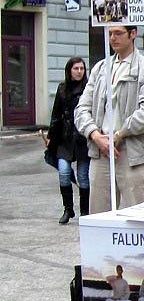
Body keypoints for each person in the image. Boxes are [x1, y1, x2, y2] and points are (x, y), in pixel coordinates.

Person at [74, 25, 144, 214]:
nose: (113, 38)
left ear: (133, 34)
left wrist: (119, 134)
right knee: (99, 216)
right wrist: (95, 136)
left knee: (137, 215)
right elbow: (81, 108)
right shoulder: (100, 68)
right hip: (101, 150)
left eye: (118, 33)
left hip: (133, 152)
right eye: (110, 34)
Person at [47, 57, 91, 224]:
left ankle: (85, 212)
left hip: (82, 138)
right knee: (64, 173)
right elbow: (56, 113)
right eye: (76, 68)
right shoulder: (62, 88)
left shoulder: (88, 88)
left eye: (82, 68)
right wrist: (51, 136)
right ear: (69, 70)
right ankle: (68, 209)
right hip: (64, 138)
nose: (79, 71)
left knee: (83, 176)